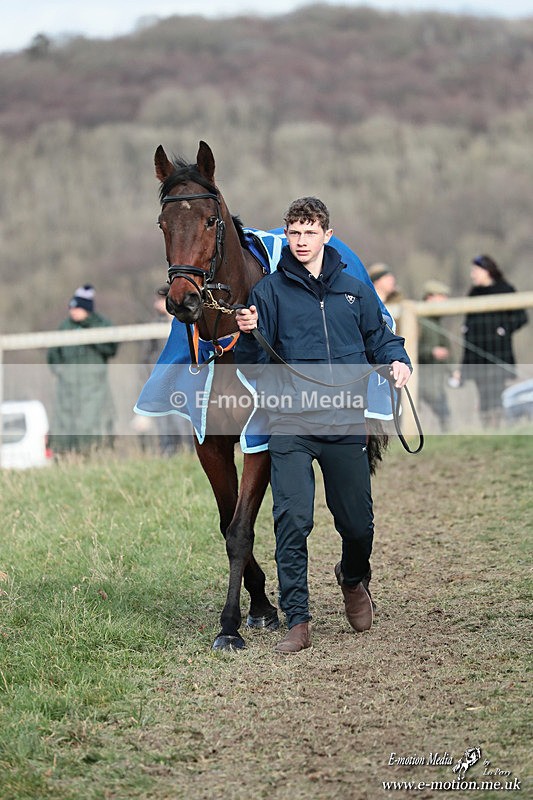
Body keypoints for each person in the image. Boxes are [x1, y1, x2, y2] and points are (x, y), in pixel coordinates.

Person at [235, 197, 412, 654]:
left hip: (346, 421)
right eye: (293, 232)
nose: (300, 241)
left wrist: (397, 360)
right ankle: (298, 619)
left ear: (326, 236)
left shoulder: (353, 290)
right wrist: (251, 334)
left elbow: (381, 336)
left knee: (357, 524)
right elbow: (256, 367)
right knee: (292, 520)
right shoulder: (268, 294)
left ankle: (353, 578)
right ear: (286, 235)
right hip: (291, 421)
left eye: (309, 232)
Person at [454, 255, 528, 428]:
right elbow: (470, 321)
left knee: (496, 393)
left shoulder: (505, 289)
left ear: (487, 270)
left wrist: (503, 329)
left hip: (498, 353)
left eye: (475, 270)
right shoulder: (474, 292)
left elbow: (521, 317)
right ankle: (487, 429)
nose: (472, 275)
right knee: (483, 395)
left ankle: (498, 427)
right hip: (477, 354)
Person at [47, 285, 119, 454]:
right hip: (68, 388)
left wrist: (90, 332)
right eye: (71, 308)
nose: (73, 311)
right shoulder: (65, 326)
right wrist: (61, 372)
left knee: (93, 423)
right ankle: (67, 456)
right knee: (65, 423)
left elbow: (111, 348)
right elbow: (53, 355)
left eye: (77, 307)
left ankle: (95, 454)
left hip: (94, 387)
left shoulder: (101, 324)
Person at [138, 285, 194, 455]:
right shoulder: (153, 326)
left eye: (162, 299)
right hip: (162, 381)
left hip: (185, 380)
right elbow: (146, 356)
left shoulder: (187, 322)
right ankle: (169, 452)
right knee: (165, 421)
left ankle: (192, 451)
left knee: (185, 419)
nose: (158, 304)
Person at [418, 280, 452, 432]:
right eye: (442, 296)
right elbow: (410, 348)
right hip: (421, 378)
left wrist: (453, 369)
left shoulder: (437, 322)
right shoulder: (418, 320)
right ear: (430, 297)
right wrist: (431, 352)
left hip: (436, 378)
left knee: (445, 413)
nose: (445, 301)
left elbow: (448, 348)